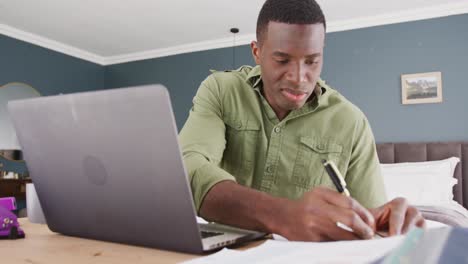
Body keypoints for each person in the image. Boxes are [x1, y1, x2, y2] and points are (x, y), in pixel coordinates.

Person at [179, 0, 425, 241]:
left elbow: (371, 222)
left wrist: (388, 224)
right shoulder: (221, 91)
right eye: (282, 60)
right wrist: (284, 215)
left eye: (312, 61)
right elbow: (188, 168)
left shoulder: (352, 123)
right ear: (257, 52)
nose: (298, 78)